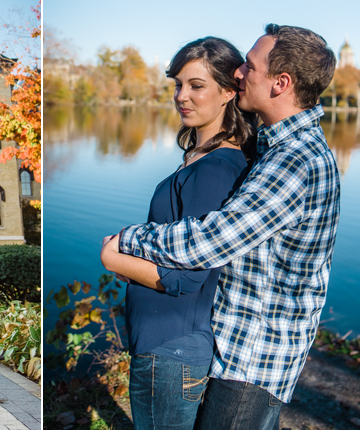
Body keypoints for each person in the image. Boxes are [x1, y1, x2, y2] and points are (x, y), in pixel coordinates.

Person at [102, 24, 340, 429]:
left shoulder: (295, 160)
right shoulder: (277, 150)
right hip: (233, 349)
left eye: (249, 66)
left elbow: (209, 243)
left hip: (253, 357)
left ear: (281, 83)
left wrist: (123, 244)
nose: (240, 74)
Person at [100, 37, 256, 430]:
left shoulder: (217, 169)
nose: (181, 96)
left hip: (171, 351)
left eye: (196, 85)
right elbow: (175, 253)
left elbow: (187, 278)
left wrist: (114, 257)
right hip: (167, 347)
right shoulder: (202, 159)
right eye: (178, 84)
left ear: (227, 93)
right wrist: (132, 265)